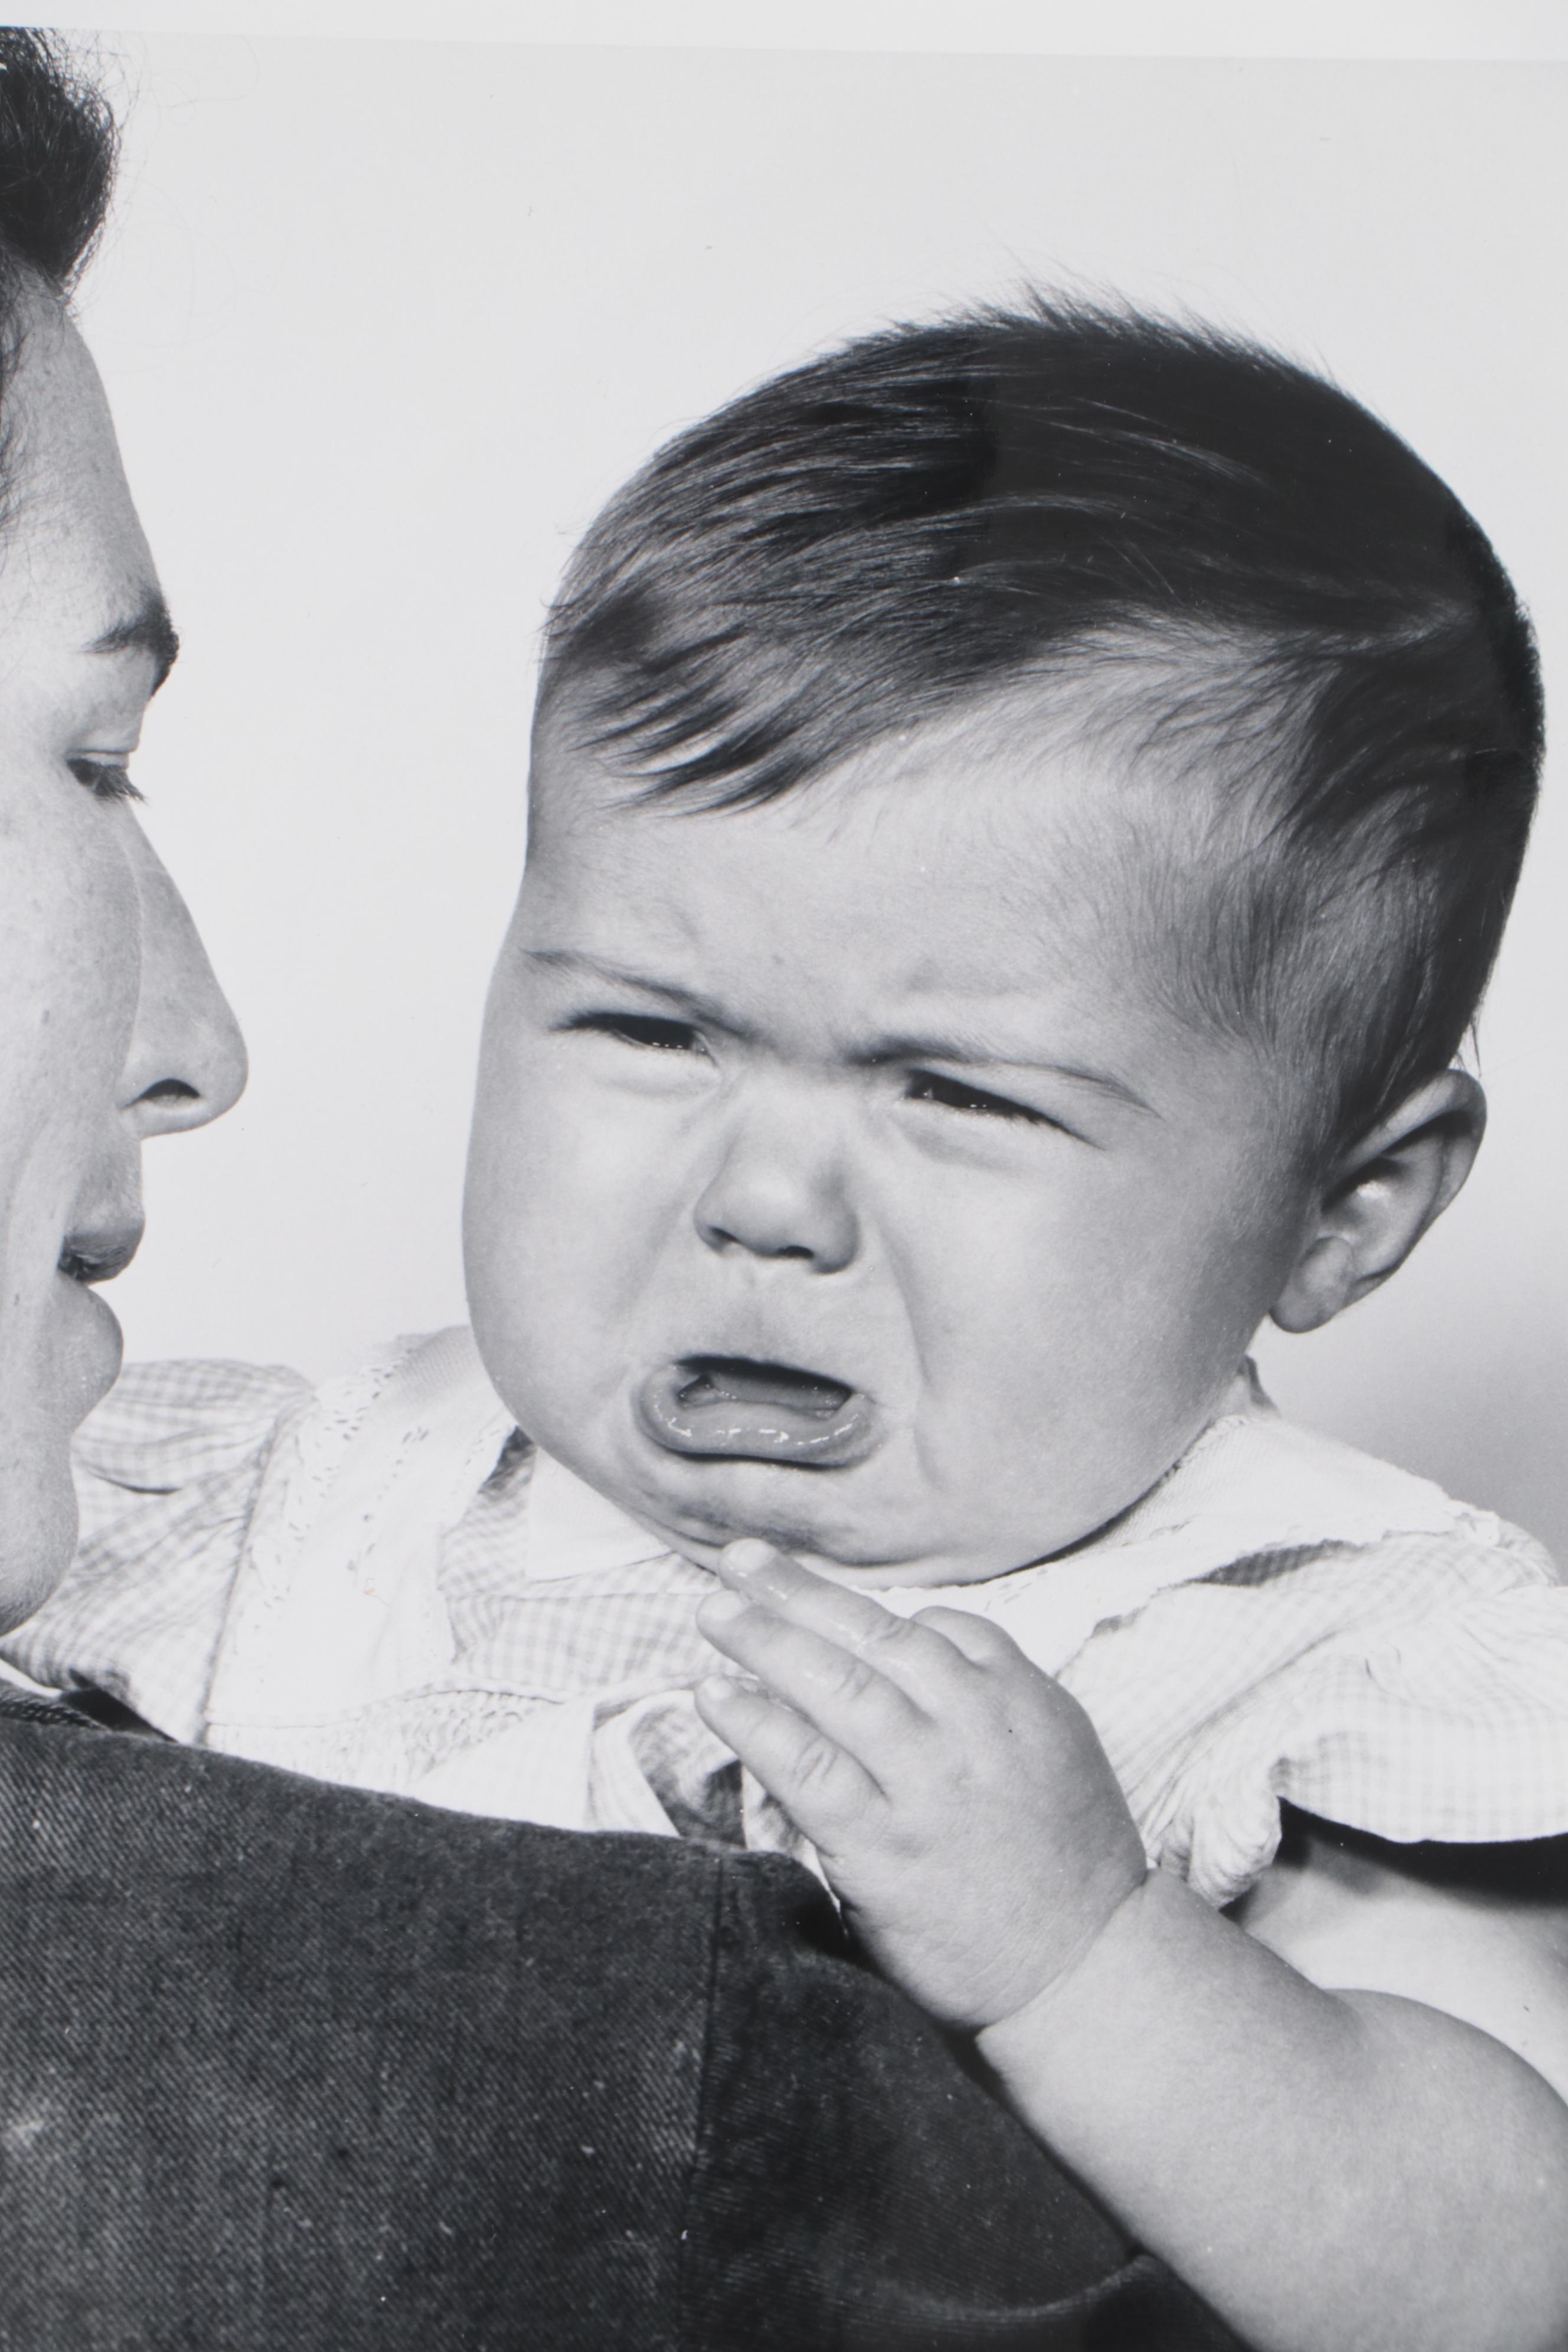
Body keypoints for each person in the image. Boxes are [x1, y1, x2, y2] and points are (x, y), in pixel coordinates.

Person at [19, 286, 1568, 2337]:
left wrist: (1090, 1953)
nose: (761, 1202)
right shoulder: (264, 1495)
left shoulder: (1306, 1645)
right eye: (653, 1031)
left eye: (952, 1093)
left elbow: (1493, 2275)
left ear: (1347, 1206)